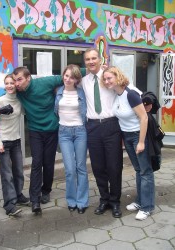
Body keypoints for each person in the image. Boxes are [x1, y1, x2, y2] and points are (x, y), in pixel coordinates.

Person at [0, 67, 86, 214]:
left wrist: (95, 69)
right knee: (36, 163)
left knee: (48, 163)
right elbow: (1, 98)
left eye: (19, 79)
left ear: (28, 78)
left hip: (52, 129)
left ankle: (46, 190)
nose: (16, 83)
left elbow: (72, 74)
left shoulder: (46, 82)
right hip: (35, 131)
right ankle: (35, 200)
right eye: (15, 80)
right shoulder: (19, 92)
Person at [101, 66, 155, 220]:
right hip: (127, 136)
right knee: (138, 170)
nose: (107, 81)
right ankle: (140, 201)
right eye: (105, 79)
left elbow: (144, 117)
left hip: (138, 135)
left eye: (110, 78)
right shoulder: (116, 94)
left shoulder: (130, 94)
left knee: (145, 171)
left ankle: (147, 207)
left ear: (118, 77)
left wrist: (141, 142)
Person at [81, 48, 123, 218]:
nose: (91, 61)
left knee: (114, 166)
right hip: (92, 127)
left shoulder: (109, 77)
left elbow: (128, 89)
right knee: (98, 167)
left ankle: (115, 201)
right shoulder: (83, 81)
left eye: (93, 58)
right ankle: (104, 199)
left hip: (111, 125)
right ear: (85, 62)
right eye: (87, 59)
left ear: (100, 59)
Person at [0, 74, 30, 216]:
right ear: (4, 85)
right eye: (6, 83)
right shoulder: (0, 101)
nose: (9, 85)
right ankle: (9, 205)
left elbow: (27, 112)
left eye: (12, 83)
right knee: (7, 175)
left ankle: (18, 195)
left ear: (16, 85)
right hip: (4, 143)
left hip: (16, 141)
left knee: (19, 172)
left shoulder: (20, 100)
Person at [54, 64, 89, 214]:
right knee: (69, 169)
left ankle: (82, 201)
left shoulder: (82, 93)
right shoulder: (57, 91)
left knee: (81, 167)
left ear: (76, 79)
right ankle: (71, 200)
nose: (68, 79)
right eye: (66, 75)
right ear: (63, 76)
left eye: (72, 77)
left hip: (80, 131)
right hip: (64, 132)